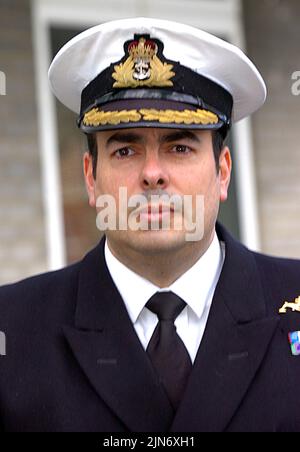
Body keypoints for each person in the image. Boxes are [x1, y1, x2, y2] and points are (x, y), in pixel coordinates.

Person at [0, 17, 299, 433]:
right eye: (125, 150)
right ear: (90, 176)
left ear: (223, 172)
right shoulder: (12, 330)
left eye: (179, 146)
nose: (153, 174)